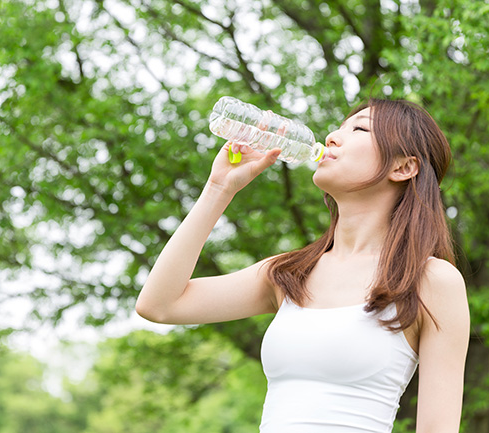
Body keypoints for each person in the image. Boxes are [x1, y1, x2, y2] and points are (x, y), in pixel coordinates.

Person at [136, 98, 470, 433]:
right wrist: (218, 189)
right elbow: (160, 305)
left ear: (403, 167)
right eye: (339, 127)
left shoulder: (432, 281)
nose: (332, 137)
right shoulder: (290, 273)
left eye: (359, 129)